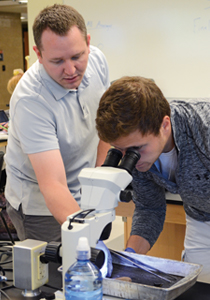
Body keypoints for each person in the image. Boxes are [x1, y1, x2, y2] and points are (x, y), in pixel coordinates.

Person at [5, 4, 110, 243]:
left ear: (88, 43)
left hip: (85, 186)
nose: (71, 70)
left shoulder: (97, 61)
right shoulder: (30, 100)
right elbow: (53, 185)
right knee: (58, 274)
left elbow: (106, 125)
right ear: (38, 55)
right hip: (41, 205)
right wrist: (84, 236)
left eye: (77, 56)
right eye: (57, 61)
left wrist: (99, 184)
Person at [96, 76, 210, 283]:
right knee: (199, 287)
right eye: (121, 150)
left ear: (164, 125)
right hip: (201, 217)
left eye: (136, 149)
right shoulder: (139, 154)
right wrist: (130, 259)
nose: (130, 157)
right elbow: (150, 209)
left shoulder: (203, 127)